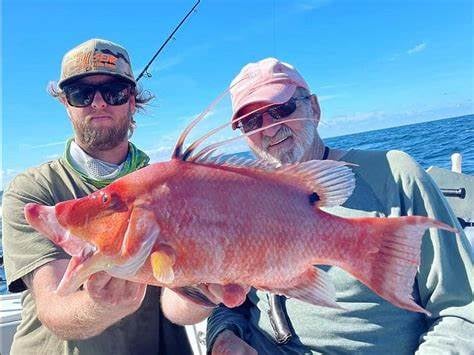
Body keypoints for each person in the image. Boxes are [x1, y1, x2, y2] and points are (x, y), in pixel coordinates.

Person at [163, 58, 474, 354]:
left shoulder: (393, 176)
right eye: (251, 121)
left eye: (281, 109)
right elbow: (232, 301)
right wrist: (225, 335)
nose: (269, 129)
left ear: (313, 107)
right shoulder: (243, 197)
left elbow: (463, 310)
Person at [2, 38, 192, 355]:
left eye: (114, 92)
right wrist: (99, 305)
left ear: (132, 101)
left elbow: (179, 297)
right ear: (66, 104)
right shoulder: (33, 191)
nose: (99, 103)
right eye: (82, 94)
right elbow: (54, 307)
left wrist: (209, 289)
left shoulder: (172, 188)